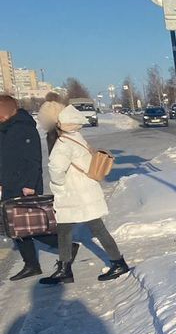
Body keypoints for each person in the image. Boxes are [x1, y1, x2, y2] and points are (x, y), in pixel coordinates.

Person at [39, 104, 129, 285]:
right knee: (66, 230)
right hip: (84, 192)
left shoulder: (63, 143)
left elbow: (56, 169)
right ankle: (65, 268)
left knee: (93, 229)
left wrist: (58, 186)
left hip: (74, 194)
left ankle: (118, 263)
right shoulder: (77, 137)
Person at [0, 94, 53, 280]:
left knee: (31, 225)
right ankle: (31, 264)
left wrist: (30, 185)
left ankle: (65, 245)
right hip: (9, 184)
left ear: (8, 110)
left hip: (23, 186)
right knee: (15, 227)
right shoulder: (4, 129)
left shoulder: (23, 128)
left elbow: (33, 159)